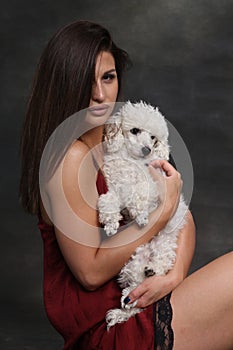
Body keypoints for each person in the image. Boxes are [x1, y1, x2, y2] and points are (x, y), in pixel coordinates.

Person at [19, 20, 233, 350]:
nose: (101, 95)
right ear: (64, 84)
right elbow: (88, 272)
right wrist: (159, 215)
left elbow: (183, 218)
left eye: (108, 77)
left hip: (145, 302)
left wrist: (173, 277)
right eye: (86, 81)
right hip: (110, 327)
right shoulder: (69, 158)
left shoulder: (125, 137)